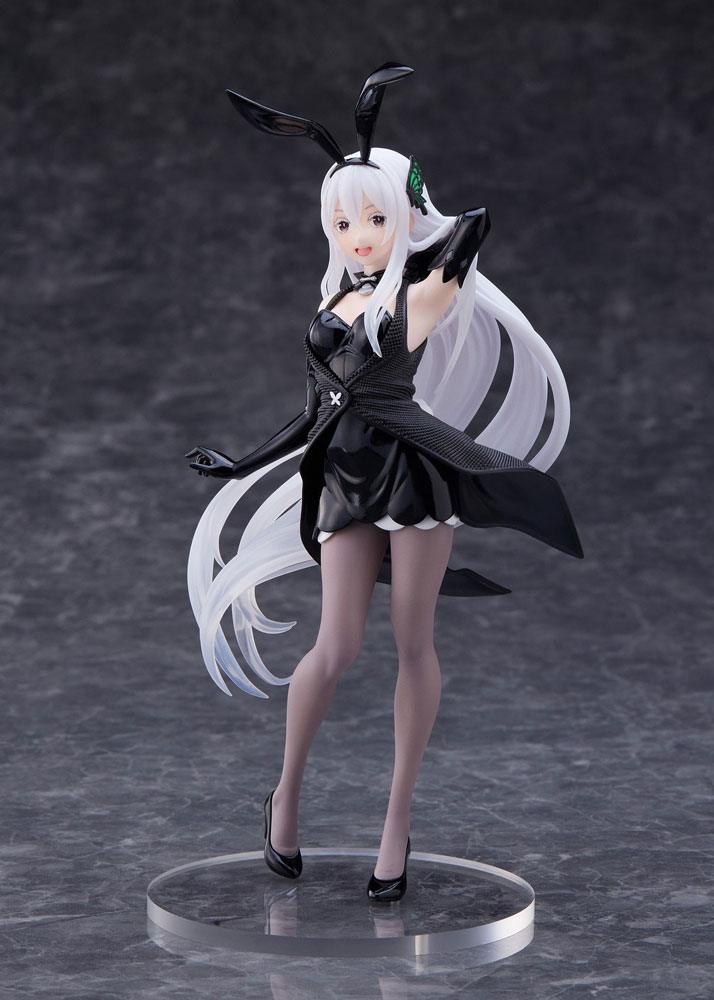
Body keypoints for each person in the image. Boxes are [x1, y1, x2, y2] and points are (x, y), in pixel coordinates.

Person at [184, 63, 584, 902]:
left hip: (415, 473)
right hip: (342, 474)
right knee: (335, 645)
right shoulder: (331, 307)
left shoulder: (420, 295)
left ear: (400, 217)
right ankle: (285, 795)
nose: (358, 234)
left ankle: (396, 821)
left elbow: (473, 224)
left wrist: (391, 175)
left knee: (412, 643)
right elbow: (316, 412)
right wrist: (243, 464)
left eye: (373, 218)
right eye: (342, 220)